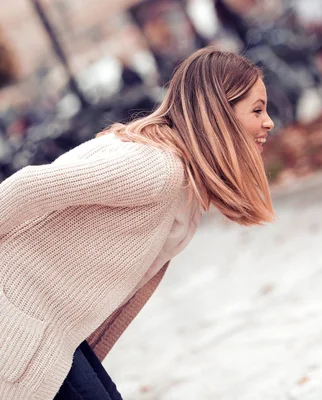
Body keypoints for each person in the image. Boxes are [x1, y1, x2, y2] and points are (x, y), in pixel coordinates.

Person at [0, 47, 275, 399]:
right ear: (218, 112)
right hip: (22, 317)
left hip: (52, 327)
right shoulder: (157, 167)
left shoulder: (175, 171)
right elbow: (29, 186)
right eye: (257, 110)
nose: (268, 122)